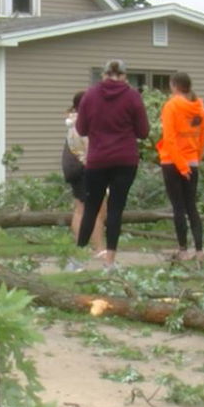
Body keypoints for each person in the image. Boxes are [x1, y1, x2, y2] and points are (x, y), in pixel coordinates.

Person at [75, 59, 150, 271]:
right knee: (116, 209)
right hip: (125, 159)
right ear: (125, 76)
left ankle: (79, 256)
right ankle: (110, 261)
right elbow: (143, 132)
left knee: (91, 207)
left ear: (103, 75)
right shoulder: (133, 97)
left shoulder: (90, 96)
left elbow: (81, 129)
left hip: (97, 159)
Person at [156, 71, 204, 261]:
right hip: (192, 161)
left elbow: (169, 138)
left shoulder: (171, 106)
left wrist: (180, 166)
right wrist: (195, 160)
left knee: (178, 207)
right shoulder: (199, 109)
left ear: (174, 86)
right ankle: (200, 250)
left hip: (172, 163)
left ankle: (183, 249)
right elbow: (202, 139)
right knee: (191, 206)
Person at [62, 91, 105, 268]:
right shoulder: (84, 124)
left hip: (76, 169)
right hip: (87, 169)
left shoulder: (74, 121)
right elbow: (91, 150)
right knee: (96, 210)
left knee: (81, 209)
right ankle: (98, 249)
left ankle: (82, 249)